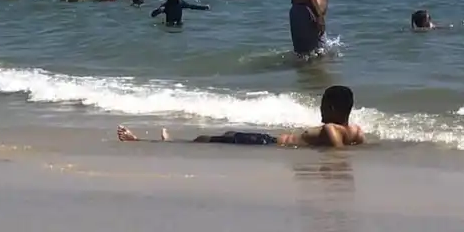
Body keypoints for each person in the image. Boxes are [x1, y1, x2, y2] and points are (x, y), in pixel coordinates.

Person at [118, 85, 363, 148]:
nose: (320, 111)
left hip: (266, 143)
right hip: (265, 142)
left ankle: (141, 141)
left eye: (322, 106)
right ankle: (167, 143)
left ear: (331, 108)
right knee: (221, 137)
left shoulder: (331, 129)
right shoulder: (356, 132)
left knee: (212, 139)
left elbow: (337, 156)